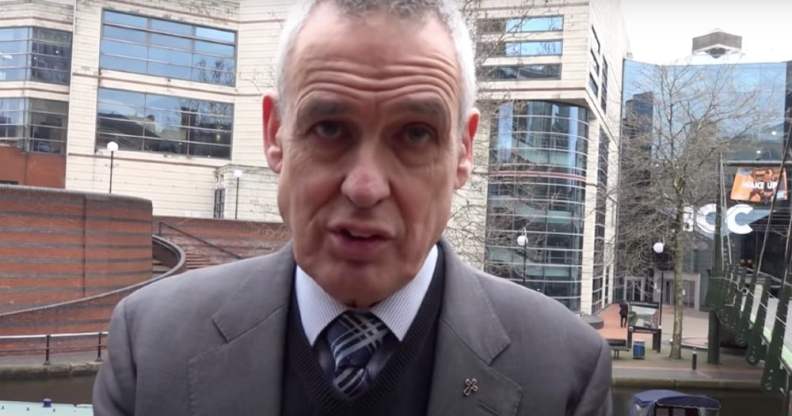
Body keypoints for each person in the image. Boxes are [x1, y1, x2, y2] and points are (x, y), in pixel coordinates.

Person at [92, 1, 612, 415]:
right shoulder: (151, 345)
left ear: (463, 152)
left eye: (415, 134)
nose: (365, 188)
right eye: (329, 128)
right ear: (275, 135)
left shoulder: (564, 370)